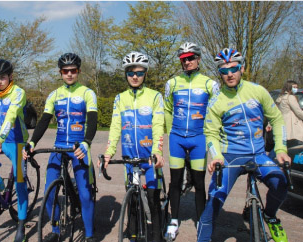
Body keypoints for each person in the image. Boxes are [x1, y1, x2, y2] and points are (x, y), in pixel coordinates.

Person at [197, 48, 291, 242]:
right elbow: (211, 133)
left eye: (234, 69)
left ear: (242, 68)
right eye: (224, 71)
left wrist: (281, 150)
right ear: (220, 73)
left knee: (281, 184)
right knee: (212, 205)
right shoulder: (216, 101)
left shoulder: (257, 91)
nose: (229, 74)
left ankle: (270, 216)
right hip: (230, 156)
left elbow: (277, 119)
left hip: (258, 154)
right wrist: (216, 156)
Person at [22, 53, 98, 242]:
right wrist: (32, 143)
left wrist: (86, 142)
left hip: (79, 146)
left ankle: (89, 234)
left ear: (78, 71)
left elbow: (93, 120)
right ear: (61, 73)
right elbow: (44, 121)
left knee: (86, 195)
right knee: (49, 191)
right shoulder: (54, 95)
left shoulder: (87, 93)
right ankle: (55, 230)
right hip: (59, 146)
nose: (69, 74)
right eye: (66, 71)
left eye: (73, 71)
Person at [97, 51, 165, 242]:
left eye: (139, 72)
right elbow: (115, 128)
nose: (135, 76)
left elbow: (159, 126)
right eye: (130, 72)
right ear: (125, 74)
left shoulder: (155, 96)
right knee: (133, 198)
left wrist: (157, 152)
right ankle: (133, 231)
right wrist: (108, 154)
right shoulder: (120, 99)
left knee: (152, 199)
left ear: (145, 74)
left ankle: (156, 236)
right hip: (129, 158)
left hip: (149, 157)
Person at [164, 42, 219, 239]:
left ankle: (201, 221)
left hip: (199, 138)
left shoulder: (209, 84)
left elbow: (216, 111)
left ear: (198, 59)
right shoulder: (172, 83)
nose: (187, 62)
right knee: (175, 182)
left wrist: (209, 132)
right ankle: (173, 221)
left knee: (199, 183)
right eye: (183, 59)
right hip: (177, 138)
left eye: (191, 58)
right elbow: (168, 109)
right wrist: (171, 132)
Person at [0, 59, 29, 242]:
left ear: (10, 76)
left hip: (17, 141)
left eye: (2, 77)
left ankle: (21, 225)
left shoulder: (19, 93)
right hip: (0, 139)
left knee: (20, 182)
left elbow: (11, 117)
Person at [276, 80, 303, 147]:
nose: (296, 89)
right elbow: (298, 111)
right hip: (293, 124)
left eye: (296, 87)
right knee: (296, 146)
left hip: (283, 123)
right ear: (289, 87)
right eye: (294, 87)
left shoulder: (281, 97)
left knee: (285, 145)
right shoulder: (290, 97)